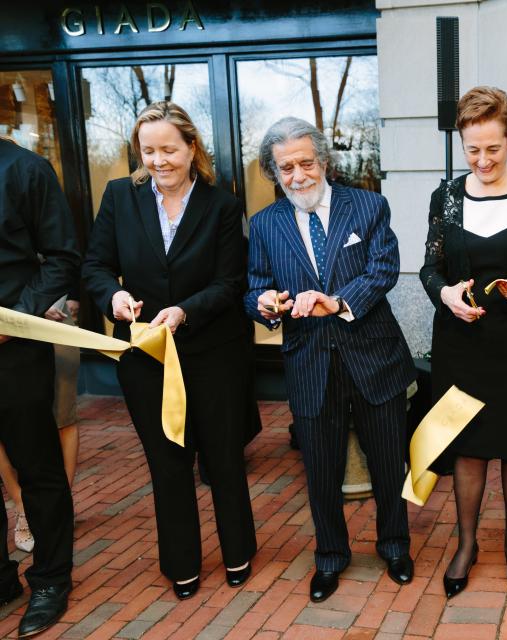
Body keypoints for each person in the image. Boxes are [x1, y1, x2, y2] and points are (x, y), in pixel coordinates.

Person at [83, 101, 257, 600]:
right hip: (145, 356)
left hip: (212, 352)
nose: (158, 160)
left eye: (168, 149)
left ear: (191, 148)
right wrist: (110, 295)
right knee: (167, 462)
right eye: (148, 150)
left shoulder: (222, 205)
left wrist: (184, 311)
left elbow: (231, 282)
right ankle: (181, 564)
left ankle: (238, 552)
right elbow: (95, 264)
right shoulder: (120, 197)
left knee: (223, 458)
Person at [245, 117, 416, 603]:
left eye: (305, 163)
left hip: (373, 357)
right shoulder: (264, 224)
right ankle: (330, 557)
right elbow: (254, 285)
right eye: (285, 168)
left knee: (388, 463)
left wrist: (337, 301)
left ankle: (394, 545)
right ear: (273, 173)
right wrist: (264, 303)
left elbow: (383, 270)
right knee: (320, 472)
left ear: (323, 160)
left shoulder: (368, 206)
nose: (297, 175)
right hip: (309, 364)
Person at [420, 86, 507, 598]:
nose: (483, 160)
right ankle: (465, 543)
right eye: (473, 149)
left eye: (493, 149)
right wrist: (445, 293)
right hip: (464, 340)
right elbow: (428, 267)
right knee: (468, 447)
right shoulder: (446, 196)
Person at [0, 137, 78, 637]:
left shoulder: (25, 169)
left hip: (14, 346)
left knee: (38, 468)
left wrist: (14, 318)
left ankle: (50, 578)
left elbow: (63, 257)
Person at [0, 295, 81, 555]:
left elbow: (68, 257)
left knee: (63, 416)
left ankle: (57, 508)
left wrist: (66, 298)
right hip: (4, 321)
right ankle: (22, 506)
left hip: (52, 314)